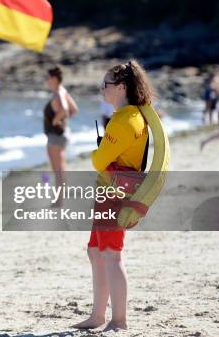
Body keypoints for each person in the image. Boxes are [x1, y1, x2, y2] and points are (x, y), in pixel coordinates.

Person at [74, 59, 153, 332]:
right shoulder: (136, 115)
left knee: (111, 253)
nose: (101, 90)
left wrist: (98, 151)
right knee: (95, 250)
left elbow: (98, 160)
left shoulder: (122, 121)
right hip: (113, 188)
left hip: (115, 191)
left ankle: (118, 319)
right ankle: (97, 316)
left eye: (105, 85)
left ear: (120, 87)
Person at [43, 66, 78, 206]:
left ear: (54, 79)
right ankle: (60, 199)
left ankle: (59, 200)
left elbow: (65, 110)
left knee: (57, 169)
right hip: (62, 134)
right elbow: (74, 110)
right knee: (61, 168)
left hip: (55, 136)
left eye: (47, 77)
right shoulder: (63, 91)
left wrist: (55, 121)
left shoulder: (58, 92)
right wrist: (63, 120)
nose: (46, 80)